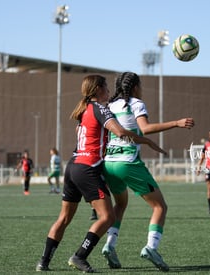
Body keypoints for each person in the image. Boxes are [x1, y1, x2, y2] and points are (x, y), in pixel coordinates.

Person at [35, 74, 166, 273]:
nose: (108, 90)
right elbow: (121, 133)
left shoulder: (83, 109)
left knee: (64, 218)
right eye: (105, 86)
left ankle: (43, 262)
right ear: (97, 89)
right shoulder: (100, 109)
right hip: (87, 168)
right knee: (107, 217)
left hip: (72, 166)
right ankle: (80, 256)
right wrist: (146, 141)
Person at [102, 72, 195, 271]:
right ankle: (151, 248)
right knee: (160, 207)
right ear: (135, 86)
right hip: (128, 163)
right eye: (141, 85)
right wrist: (176, 123)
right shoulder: (135, 103)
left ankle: (109, 245)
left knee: (120, 205)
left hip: (108, 163)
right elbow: (145, 128)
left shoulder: (109, 105)